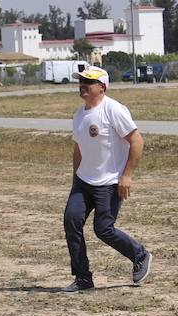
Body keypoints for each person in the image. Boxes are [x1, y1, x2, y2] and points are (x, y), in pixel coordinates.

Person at [62, 66, 152, 292]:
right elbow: (78, 149)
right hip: (83, 182)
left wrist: (127, 176)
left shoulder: (114, 109)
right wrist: (75, 179)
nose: (82, 85)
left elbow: (137, 141)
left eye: (88, 82)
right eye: (80, 81)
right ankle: (83, 278)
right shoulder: (79, 114)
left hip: (109, 182)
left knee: (103, 229)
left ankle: (140, 255)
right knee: (71, 221)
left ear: (101, 87)